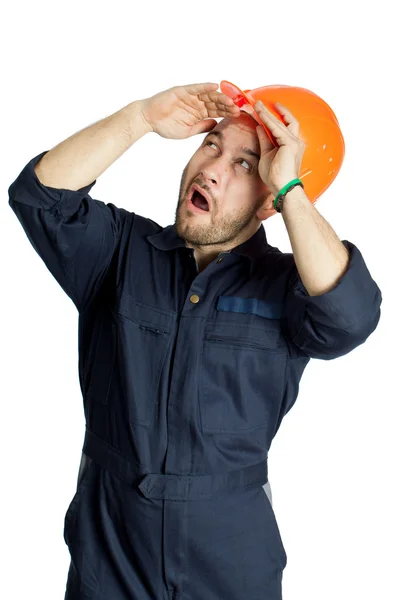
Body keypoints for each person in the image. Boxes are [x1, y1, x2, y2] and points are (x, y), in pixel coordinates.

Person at [8, 82, 382, 600]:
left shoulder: (287, 286)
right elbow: (40, 197)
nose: (210, 169)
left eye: (246, 165)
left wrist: (291, 190)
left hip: (229, 554)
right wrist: (139, 117)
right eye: (213, 145)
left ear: (272, 198)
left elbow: (351, 317)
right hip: (111, 547)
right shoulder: (120, 254)